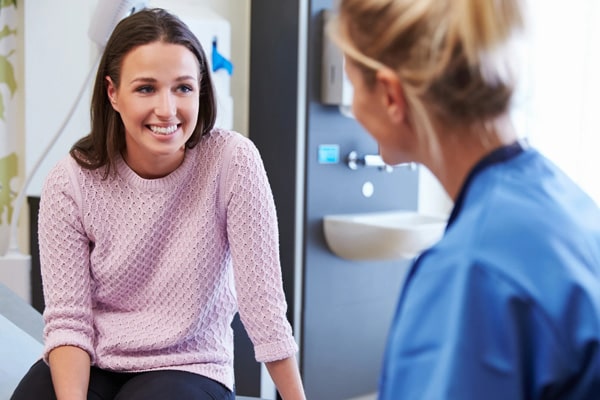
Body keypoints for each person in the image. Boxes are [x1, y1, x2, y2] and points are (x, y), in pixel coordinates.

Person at [11, 8, 305, 400]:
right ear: (113, 93)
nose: (167, 110)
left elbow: (263, 306)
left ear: (201, 89)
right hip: (96, 360)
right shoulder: (72, 180)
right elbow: (68, 322)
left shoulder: (232, 161)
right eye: (146, 88)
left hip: (190, 365)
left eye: (183, 88)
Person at [329, 0, 600, 399]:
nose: (352, 107)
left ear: (390, 95)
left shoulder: (471, 269)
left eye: (353, 86)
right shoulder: (564, 199)